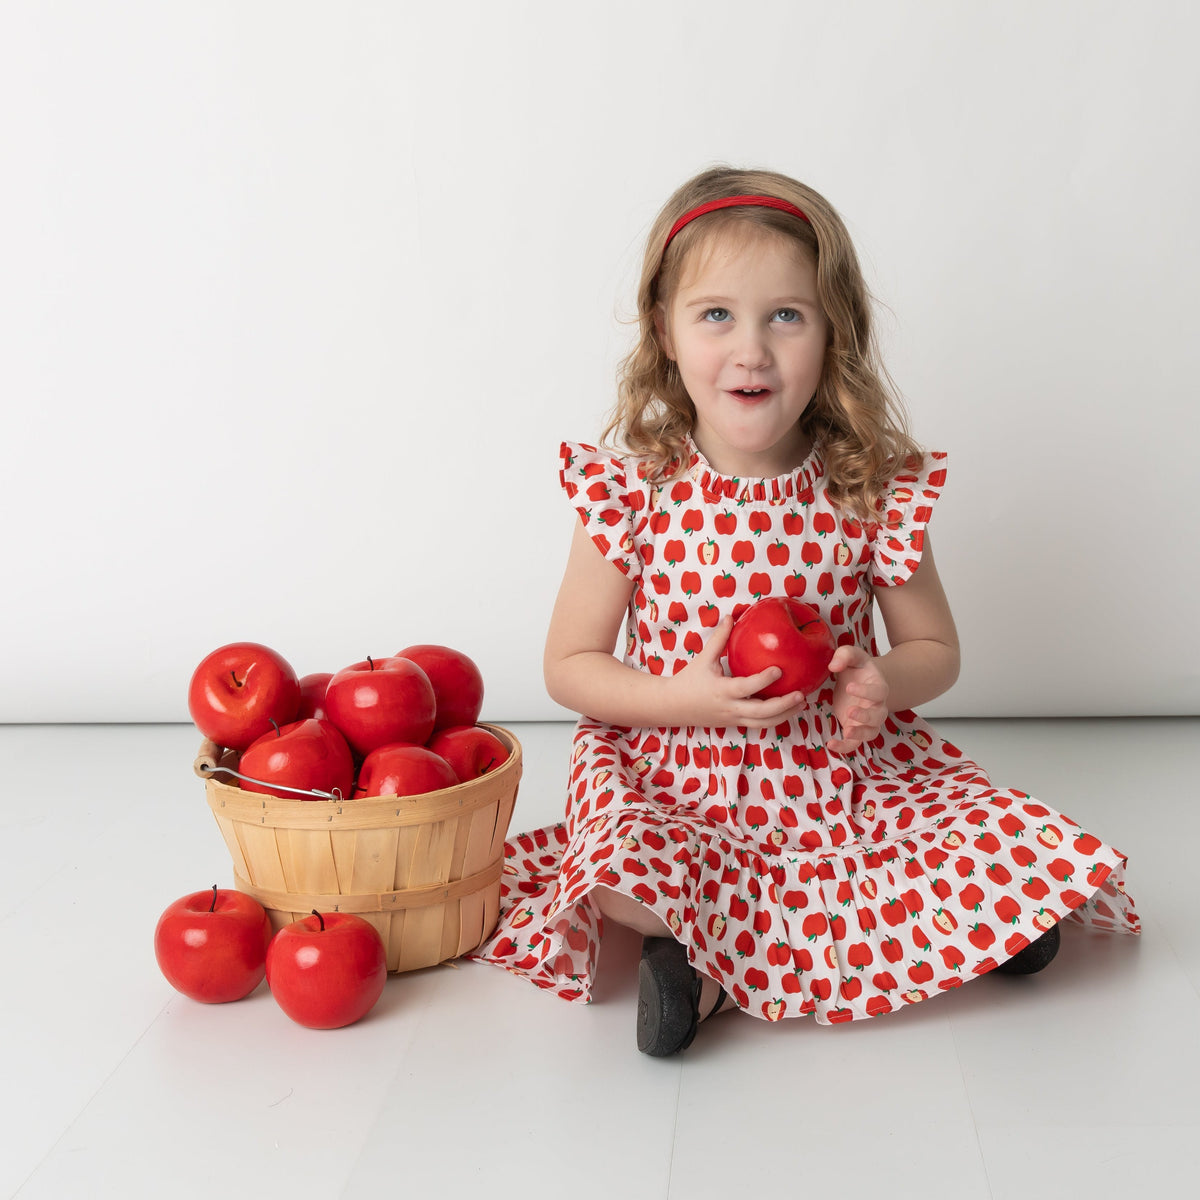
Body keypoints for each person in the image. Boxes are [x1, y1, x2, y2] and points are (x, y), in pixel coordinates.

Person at [469, 166, 1139, 1055]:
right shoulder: (632, 494)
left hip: (841, 778)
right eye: (716, 315)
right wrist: (685, 702)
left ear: (833, 336)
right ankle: (725, 966)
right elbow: (569, 667)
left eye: (786, 315)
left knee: (997, 836)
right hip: (684, 779)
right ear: (664, 333)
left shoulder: (867, 489)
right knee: (626, 889)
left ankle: (797, 948)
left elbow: (936, 647)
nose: (751, 349)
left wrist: (883, 682)